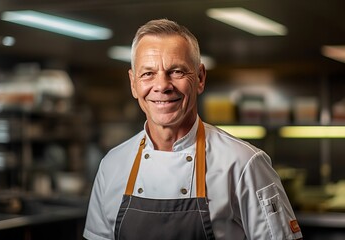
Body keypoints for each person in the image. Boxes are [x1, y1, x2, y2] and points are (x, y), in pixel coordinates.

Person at [83, 19, 303, 240]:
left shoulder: (244, 164)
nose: (162, 86)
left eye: (176, 71)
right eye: (148, 74)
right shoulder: (112, 166)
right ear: (133, 83)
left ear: (200, 78)